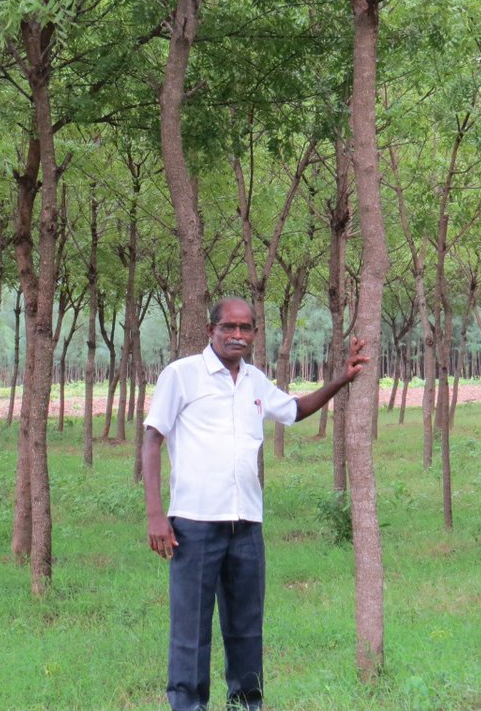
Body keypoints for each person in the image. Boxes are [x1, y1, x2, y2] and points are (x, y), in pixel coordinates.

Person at [142, 297, 368, 711]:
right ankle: (188, 705)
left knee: (246, 626)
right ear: (211, 330)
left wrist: (341, 380)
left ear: (255, 335)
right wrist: (156, 514)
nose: (237, 335)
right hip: (194, 524)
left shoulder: (255, 382)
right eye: (229, 327)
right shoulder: (182, 375)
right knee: (190, 627)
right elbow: (153, 439)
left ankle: (247, 702)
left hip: (246, 524)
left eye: (246, 328)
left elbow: (295, 410)